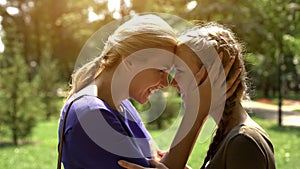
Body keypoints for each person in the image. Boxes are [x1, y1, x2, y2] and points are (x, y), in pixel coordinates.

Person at [118, 23, 276, 169]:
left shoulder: (244, 142)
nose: (172, 82)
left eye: (180, 71)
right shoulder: (232, 136)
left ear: (212, 77)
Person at [58, 14, 179, 169]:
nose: (164, 83)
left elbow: (156, 161)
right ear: (129, 59)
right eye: (161, 70)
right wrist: (200, 111)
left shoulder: (124, 106)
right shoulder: (92, 114)